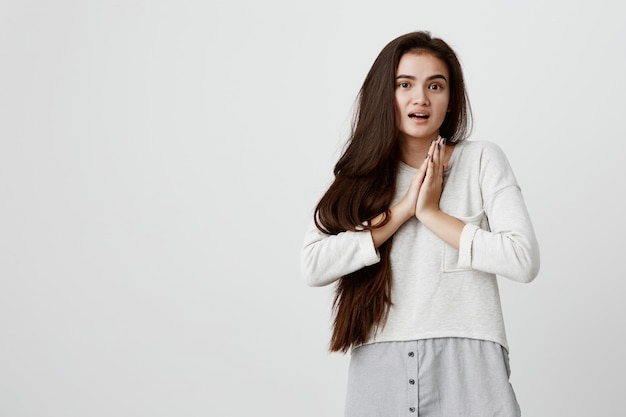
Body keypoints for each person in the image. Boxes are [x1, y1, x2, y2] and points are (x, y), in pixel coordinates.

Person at [300, 31, 540, 417]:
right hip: (380, 364)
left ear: (451, 99)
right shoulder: (360, 178)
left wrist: (432, 214)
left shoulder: (481, 161)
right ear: (385, 95)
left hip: (470, 360)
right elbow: (313, 266)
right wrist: (403, 211)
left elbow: (522, 258)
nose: (421, 98)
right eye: (405, 84)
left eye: (435, 85)